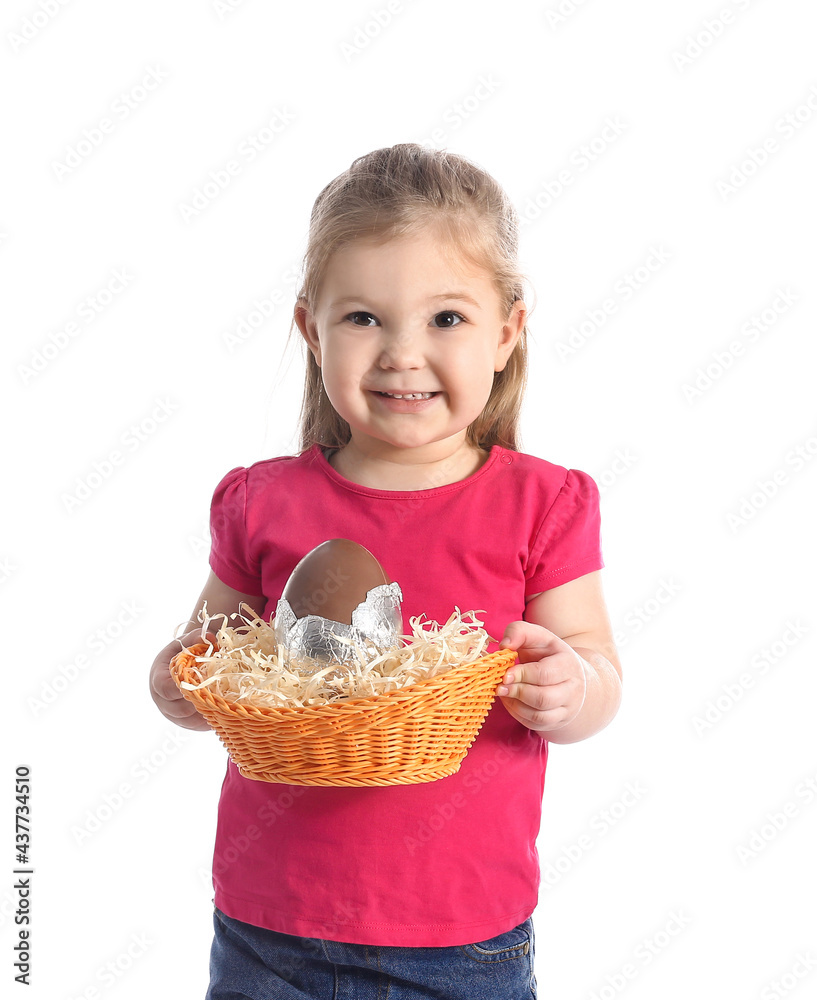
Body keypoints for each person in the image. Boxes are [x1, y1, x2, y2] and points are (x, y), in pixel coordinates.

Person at [149, 142, 623, 999]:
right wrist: (177, 682)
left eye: (446, 319)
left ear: (506, 332)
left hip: (460, 936)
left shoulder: (539, 505)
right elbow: (206, 652)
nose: (403, 353)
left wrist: (573, 686)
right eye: (364, 318)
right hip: (270, 926)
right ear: (311, 330)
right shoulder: (263, 501)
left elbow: (595, 666)